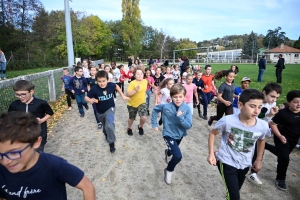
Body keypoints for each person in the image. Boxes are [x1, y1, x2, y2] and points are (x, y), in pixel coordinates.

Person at [0, 111, 95, 199]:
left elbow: (87, 186)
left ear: (36, 142)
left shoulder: (54, 165)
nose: (5, 161)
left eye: (13, 153)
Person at [207, 89, 270, 200]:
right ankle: (218, 156)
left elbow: (261, 140)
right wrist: (211, 154)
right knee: (234, 197)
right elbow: (213, 133)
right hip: (226, 161)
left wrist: (259, 159)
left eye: (259, 107)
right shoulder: (228, 121)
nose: (256, 111)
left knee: (235, 191)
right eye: (252, 106)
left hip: (245, 163)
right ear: (240, 105)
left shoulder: (263, 126)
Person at [151, 84, 192, 185]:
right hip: (168, 134)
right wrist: (155, 124)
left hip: (180, 134)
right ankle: (169, 170)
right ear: (171, 97)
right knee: (177, 156)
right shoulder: (166, 106)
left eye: (180, 97)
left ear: (184, 96)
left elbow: (188, 125)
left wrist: (181, 117)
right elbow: (155, 110)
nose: (178, 99)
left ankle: (168, 152)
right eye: (175, 97)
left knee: (173, 149)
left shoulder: (187, 109)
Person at [85, 71, 129, 153]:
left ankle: (111, 142)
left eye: (104, 81)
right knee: (106, 127)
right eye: (99, 81)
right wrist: (90, 100)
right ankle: (106, 133)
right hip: (100, 112)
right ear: (97, 81)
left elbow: (116, 86)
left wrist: (122, 95)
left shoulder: (111, 85)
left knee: (109, 126)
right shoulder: (94, 89)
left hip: (110, 109)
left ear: (107, 80)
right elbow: (86, 97)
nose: (102, 83)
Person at [247, 82, 282, 185]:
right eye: (272, 96)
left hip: (261, 130)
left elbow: (268, 119)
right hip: (251, 128)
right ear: (264, 93)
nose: (274, 100)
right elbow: (255, 116)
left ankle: (253, 172)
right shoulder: (258, 102)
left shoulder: (273, 103)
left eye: (276, 98)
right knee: (247, 148)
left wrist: (273, 115)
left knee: (259, 149)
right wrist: (269, 114)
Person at [8, 80, 54, 152]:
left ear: (31, 91)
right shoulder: (14, 105)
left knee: (37, 154)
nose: (20, 97)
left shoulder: (41, 103)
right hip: (21, 136)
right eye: (17, 94)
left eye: (23, 94)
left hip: (38, 134)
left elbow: (50, 113)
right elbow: (10, 118)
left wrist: (42, 120)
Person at [267, 90, 300, 191]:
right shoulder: (283, 113)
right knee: (284, 158)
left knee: (282, 154)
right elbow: (272, 124)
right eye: (295, 102)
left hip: (294, 140)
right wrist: (280, 136)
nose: (299, 104)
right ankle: (281, 179)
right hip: (282, 138)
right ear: (289, 102)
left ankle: (265, 145)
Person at [126, 67, 148, 136]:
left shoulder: (145, 81)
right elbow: (128, 94)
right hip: (132, 104)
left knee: (144, 117)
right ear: (134, 75)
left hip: (142, 102)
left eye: (141, 73)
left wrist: (145, 94)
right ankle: (129, 128)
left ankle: (140, 126)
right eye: (137, 74)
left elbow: (144, 90)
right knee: (131, 118)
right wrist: (135, 90)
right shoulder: (132, 83)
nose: (139, 75)